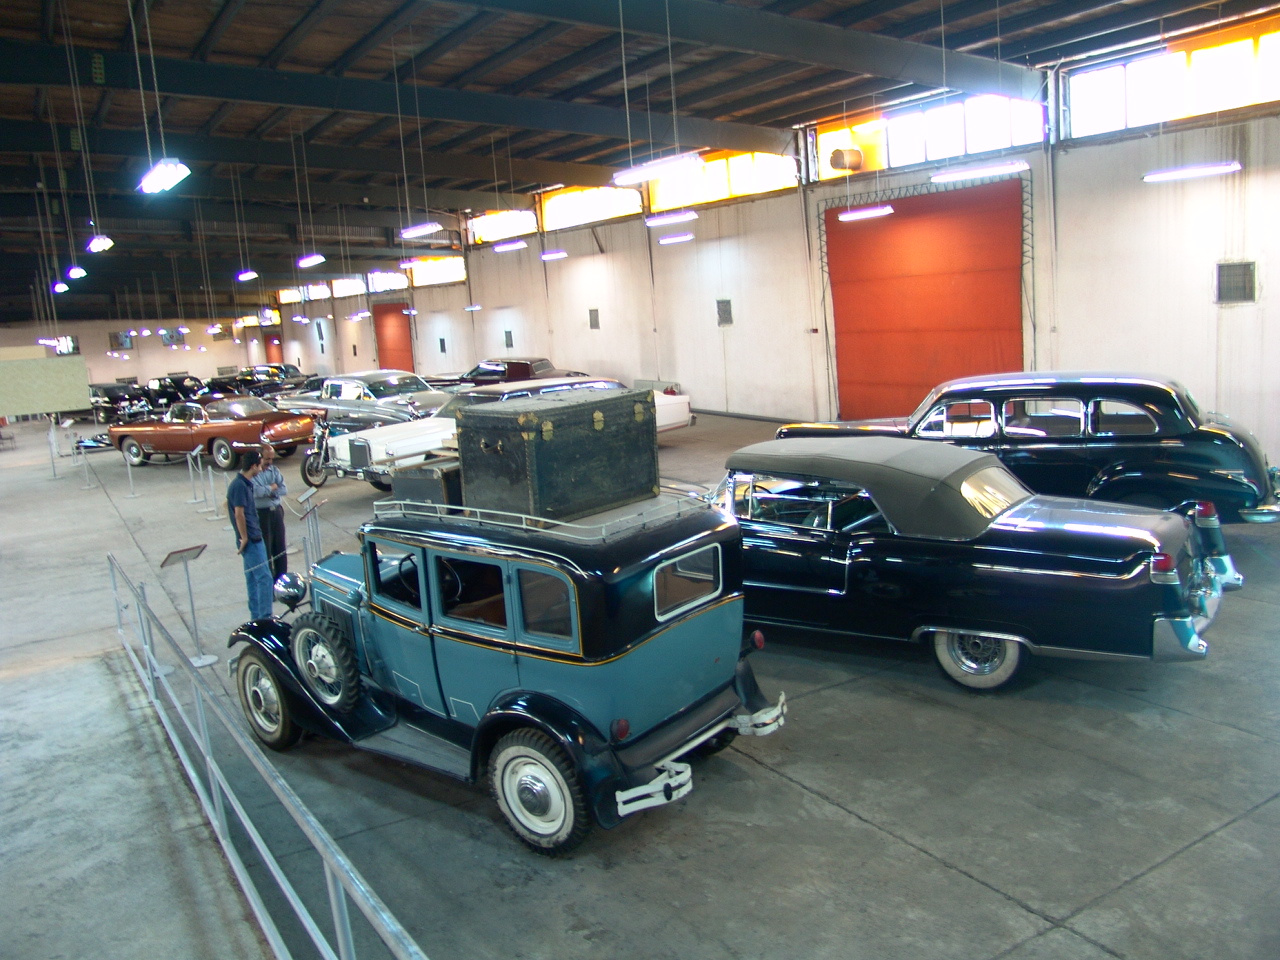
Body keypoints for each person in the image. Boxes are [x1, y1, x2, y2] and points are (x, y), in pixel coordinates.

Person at [227, 449, 273, 620]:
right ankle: (264, 617)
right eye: (260, 465)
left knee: (253, 578)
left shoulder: (243, 484)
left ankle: (256, 617)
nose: (261, 468)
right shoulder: (239, 486)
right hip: (251, 540)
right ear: (253, 466)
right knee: (264, 578)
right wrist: (245, 537)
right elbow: (239, 513)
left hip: (253, 537)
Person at [252, 444, 288, 581]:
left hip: (276, 512)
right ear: (259, 457)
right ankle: (268, 584)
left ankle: (282, 582)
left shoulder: (274, 471)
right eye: (267, 459)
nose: (270, 462)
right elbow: (256, 492)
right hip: (262, 514)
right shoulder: (254, 473)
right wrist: (272, 487)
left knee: (280, 549)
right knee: (265, 550)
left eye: (272, 458)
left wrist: (268, 491)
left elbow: (283, 489)